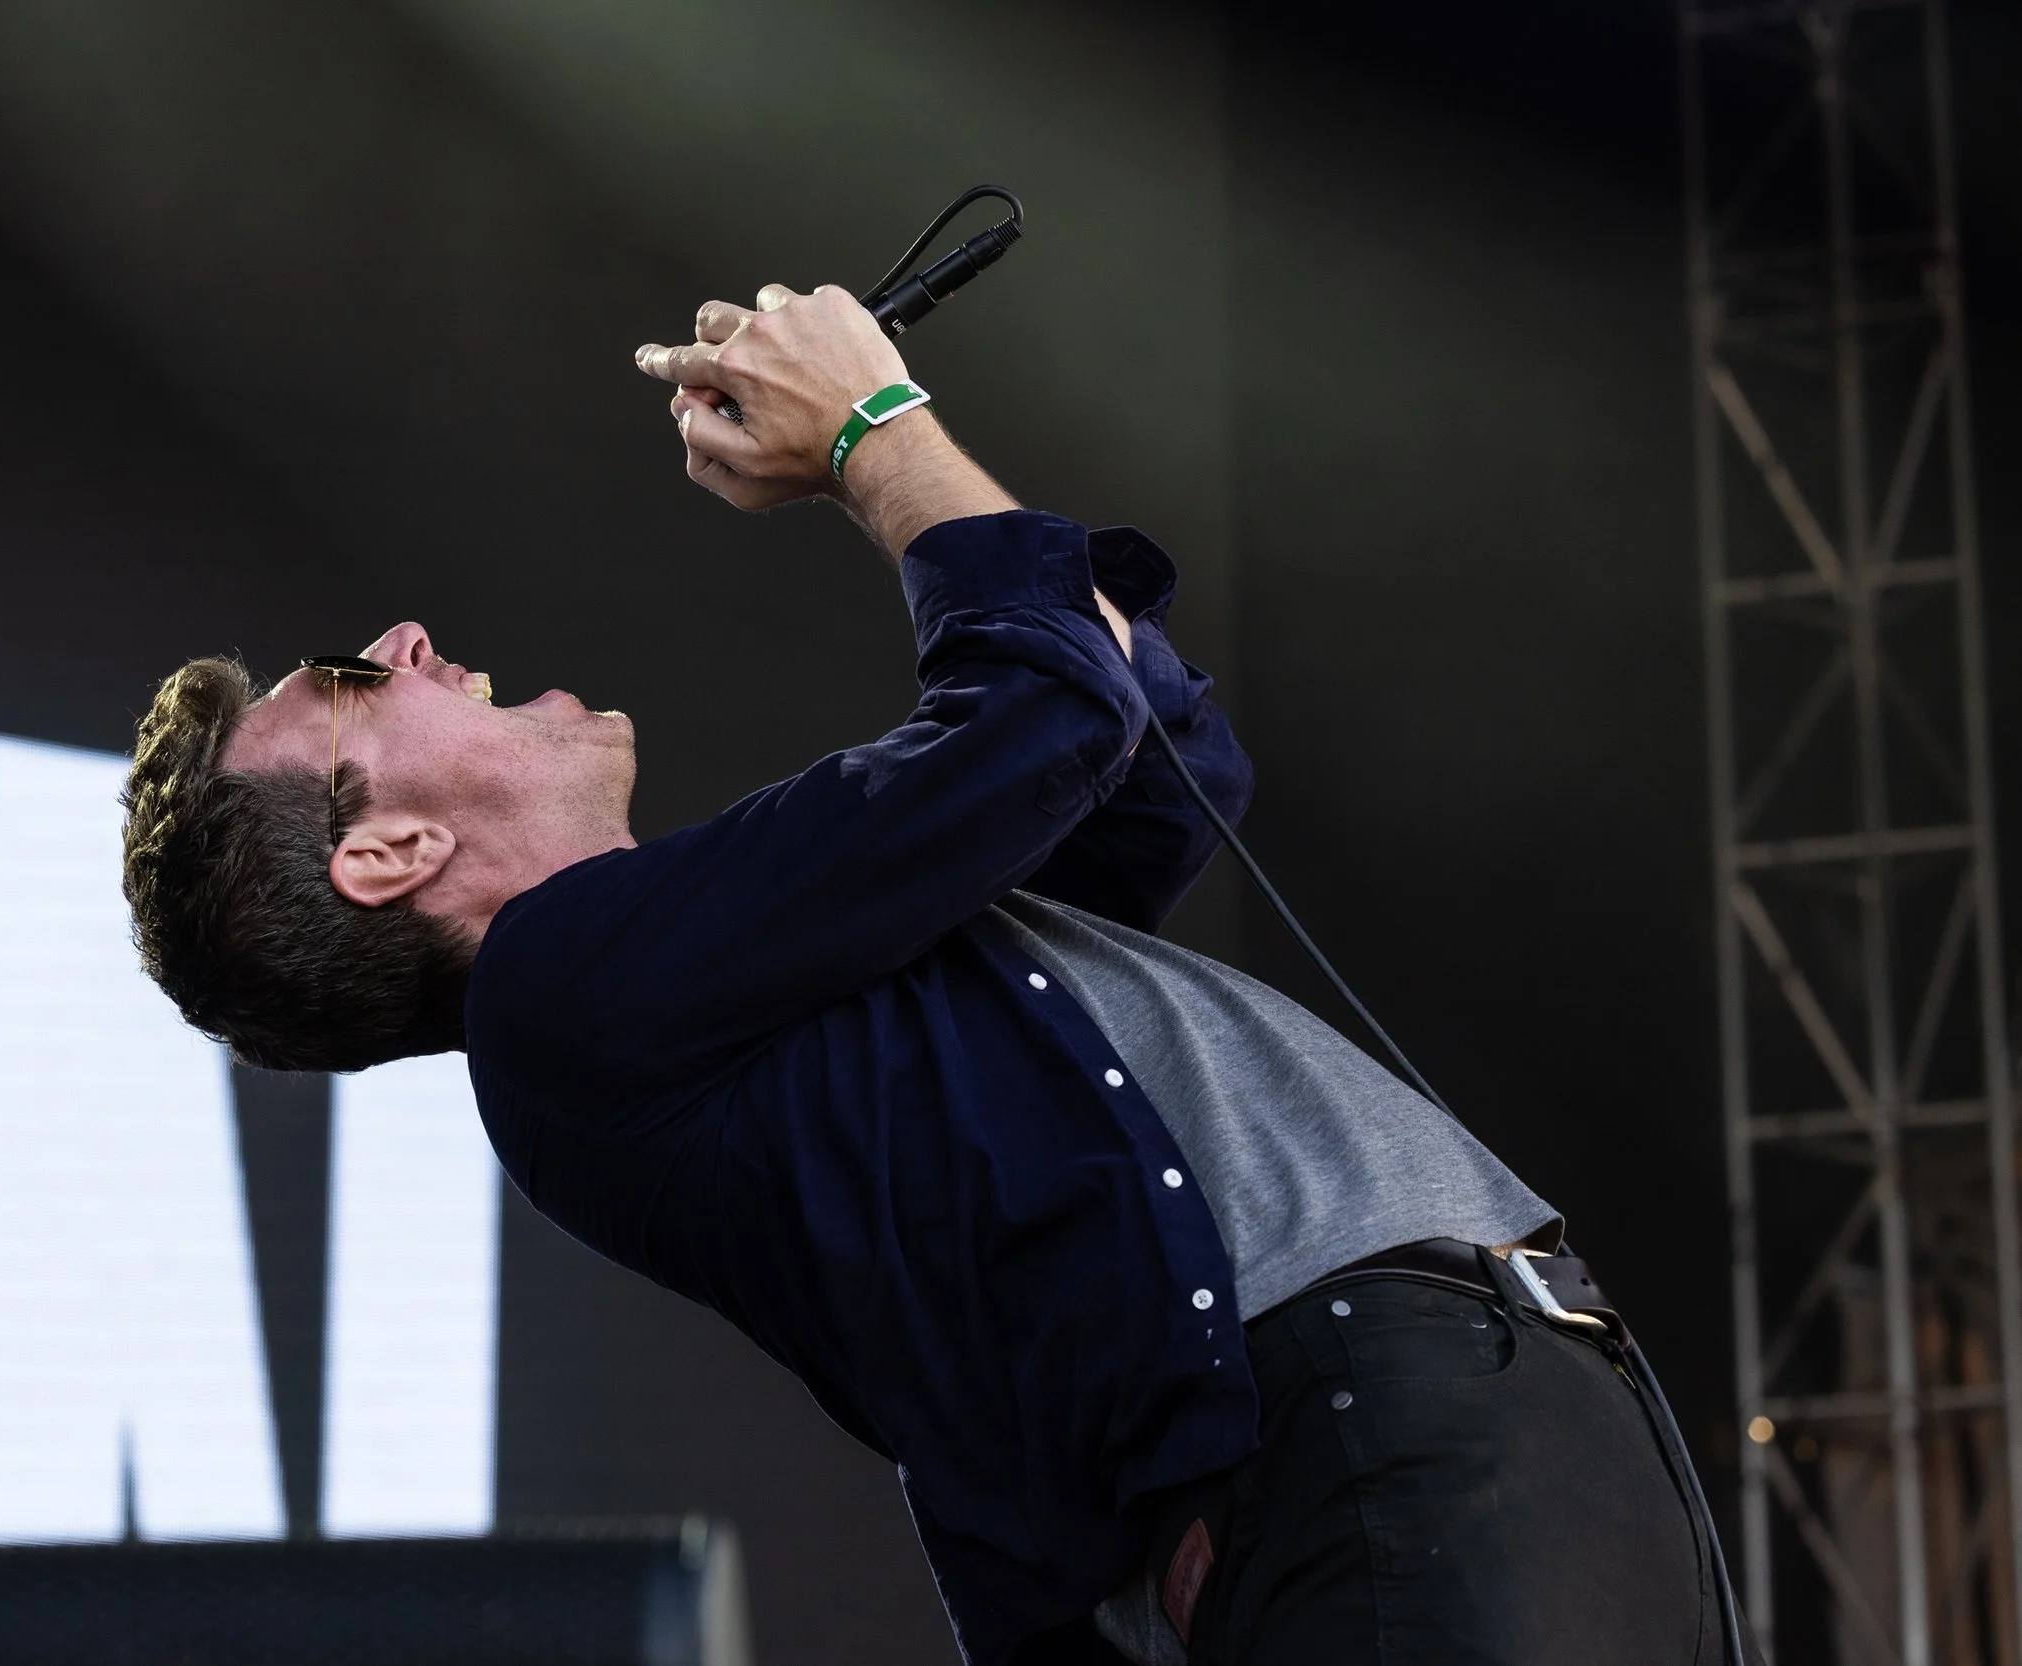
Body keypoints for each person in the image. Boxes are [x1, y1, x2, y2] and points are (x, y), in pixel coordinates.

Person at [120, 284, 1730, 1664]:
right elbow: (1049, 713)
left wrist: (892, 466)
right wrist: (871, 432)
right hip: (1367, 1447)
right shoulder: (561, 995)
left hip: (1482, 1420)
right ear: (388, 853)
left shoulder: (717, 984)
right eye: (351, 682)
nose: (404, 635)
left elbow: (1147, 772)